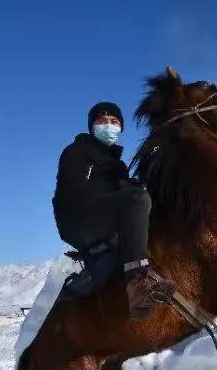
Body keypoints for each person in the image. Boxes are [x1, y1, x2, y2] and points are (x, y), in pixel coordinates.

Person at [52, 102, 175, 321]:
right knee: (137, 199)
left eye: (114, 122)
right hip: (77, 218)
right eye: (102, 121)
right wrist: (125, 193)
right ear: (91, 127)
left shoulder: (117, 165)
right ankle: (137, 283)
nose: (109, 126)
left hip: (104, 217)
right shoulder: (77, 152)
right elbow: (71, 192)